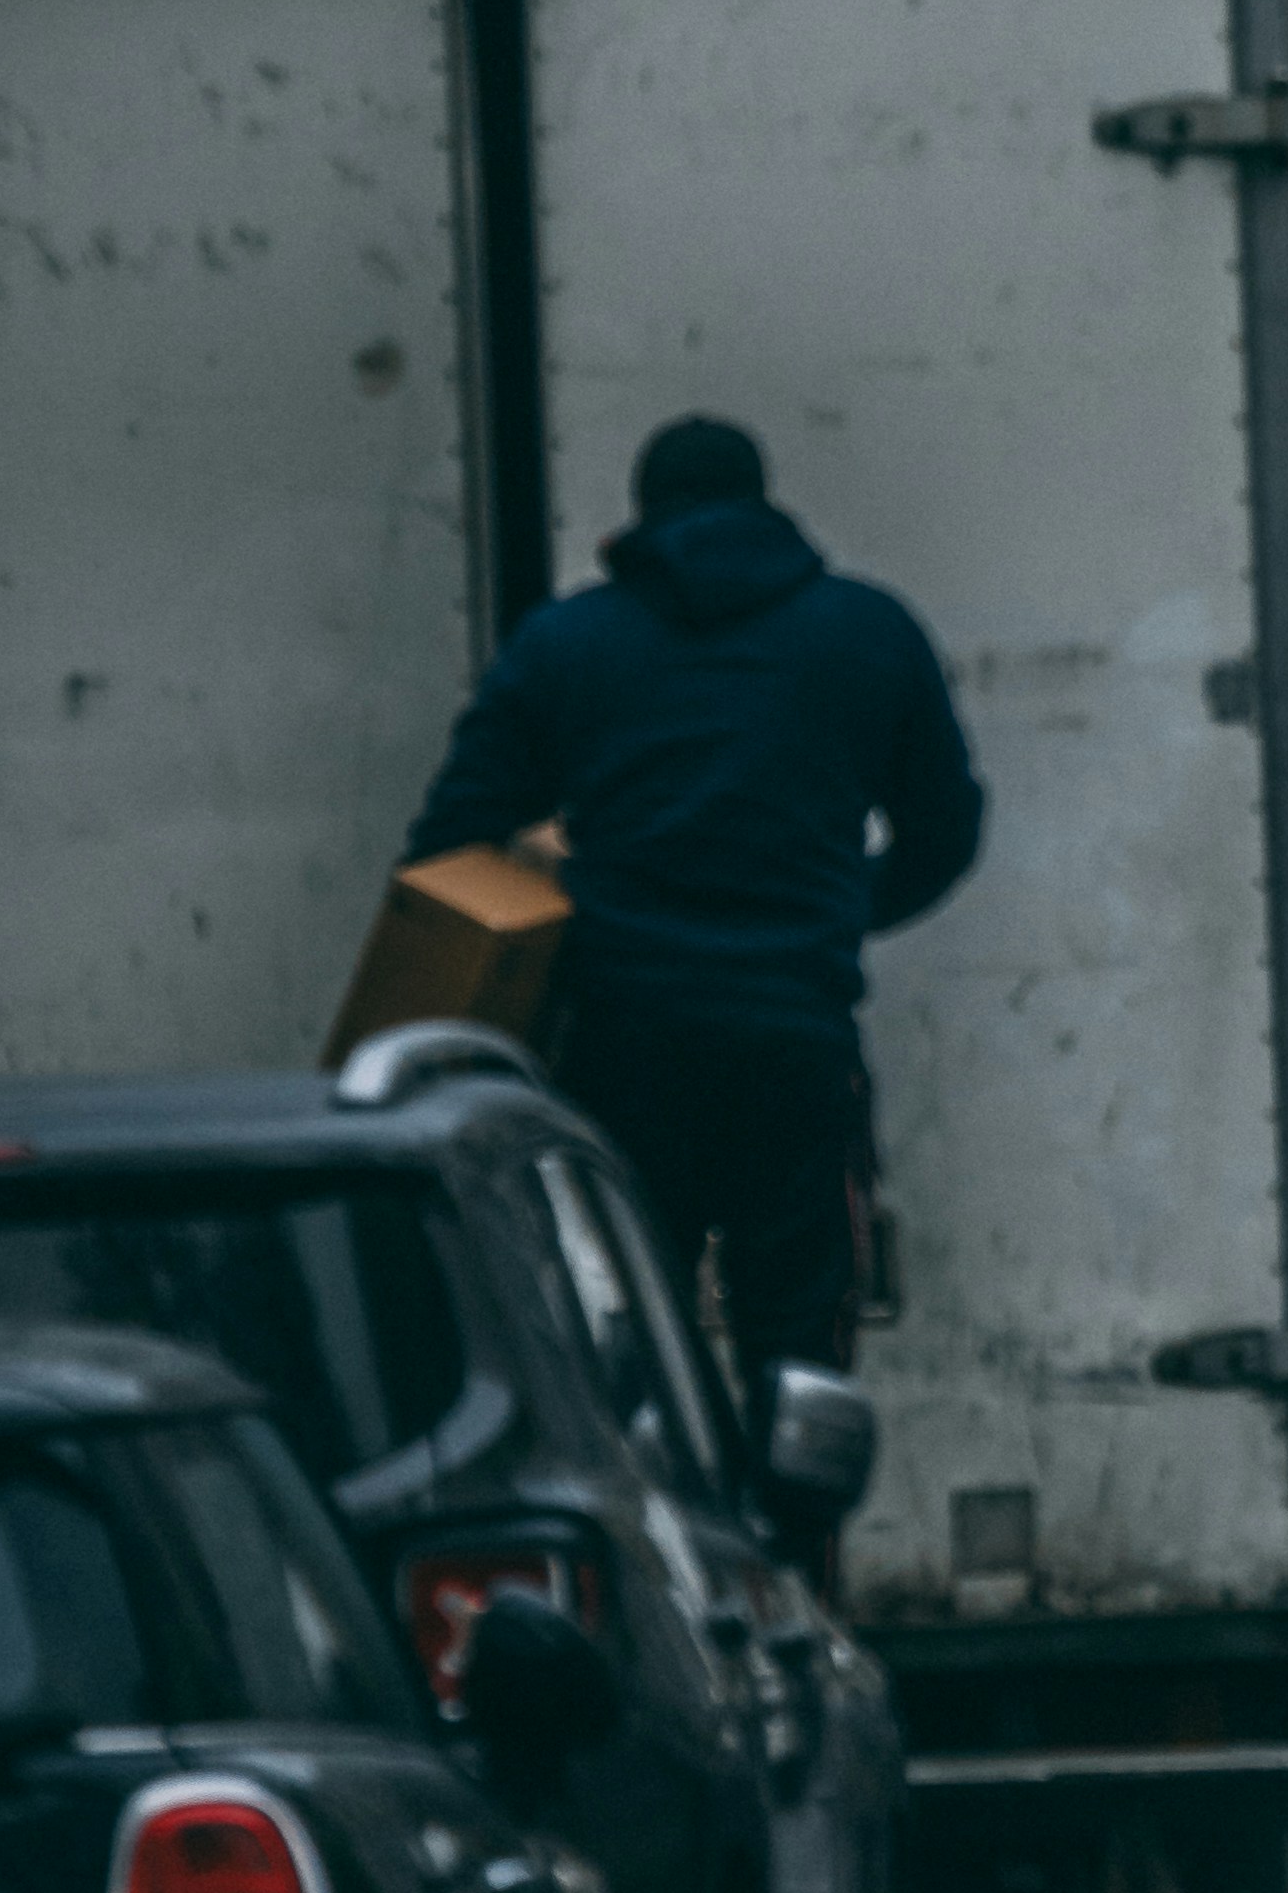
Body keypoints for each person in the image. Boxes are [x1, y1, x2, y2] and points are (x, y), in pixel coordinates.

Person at [407, 415, 985, 1439]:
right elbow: (945, 827)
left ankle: (668, 1562)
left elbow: (454, 841)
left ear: (644, 513)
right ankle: (797, 1562)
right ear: (766, 501)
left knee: (634, 1329)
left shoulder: (567, 644)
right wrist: (842, 908)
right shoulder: (868, 631)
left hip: (625, 1050)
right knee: (798, 1340)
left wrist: (566, 923)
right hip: (795, 1045)